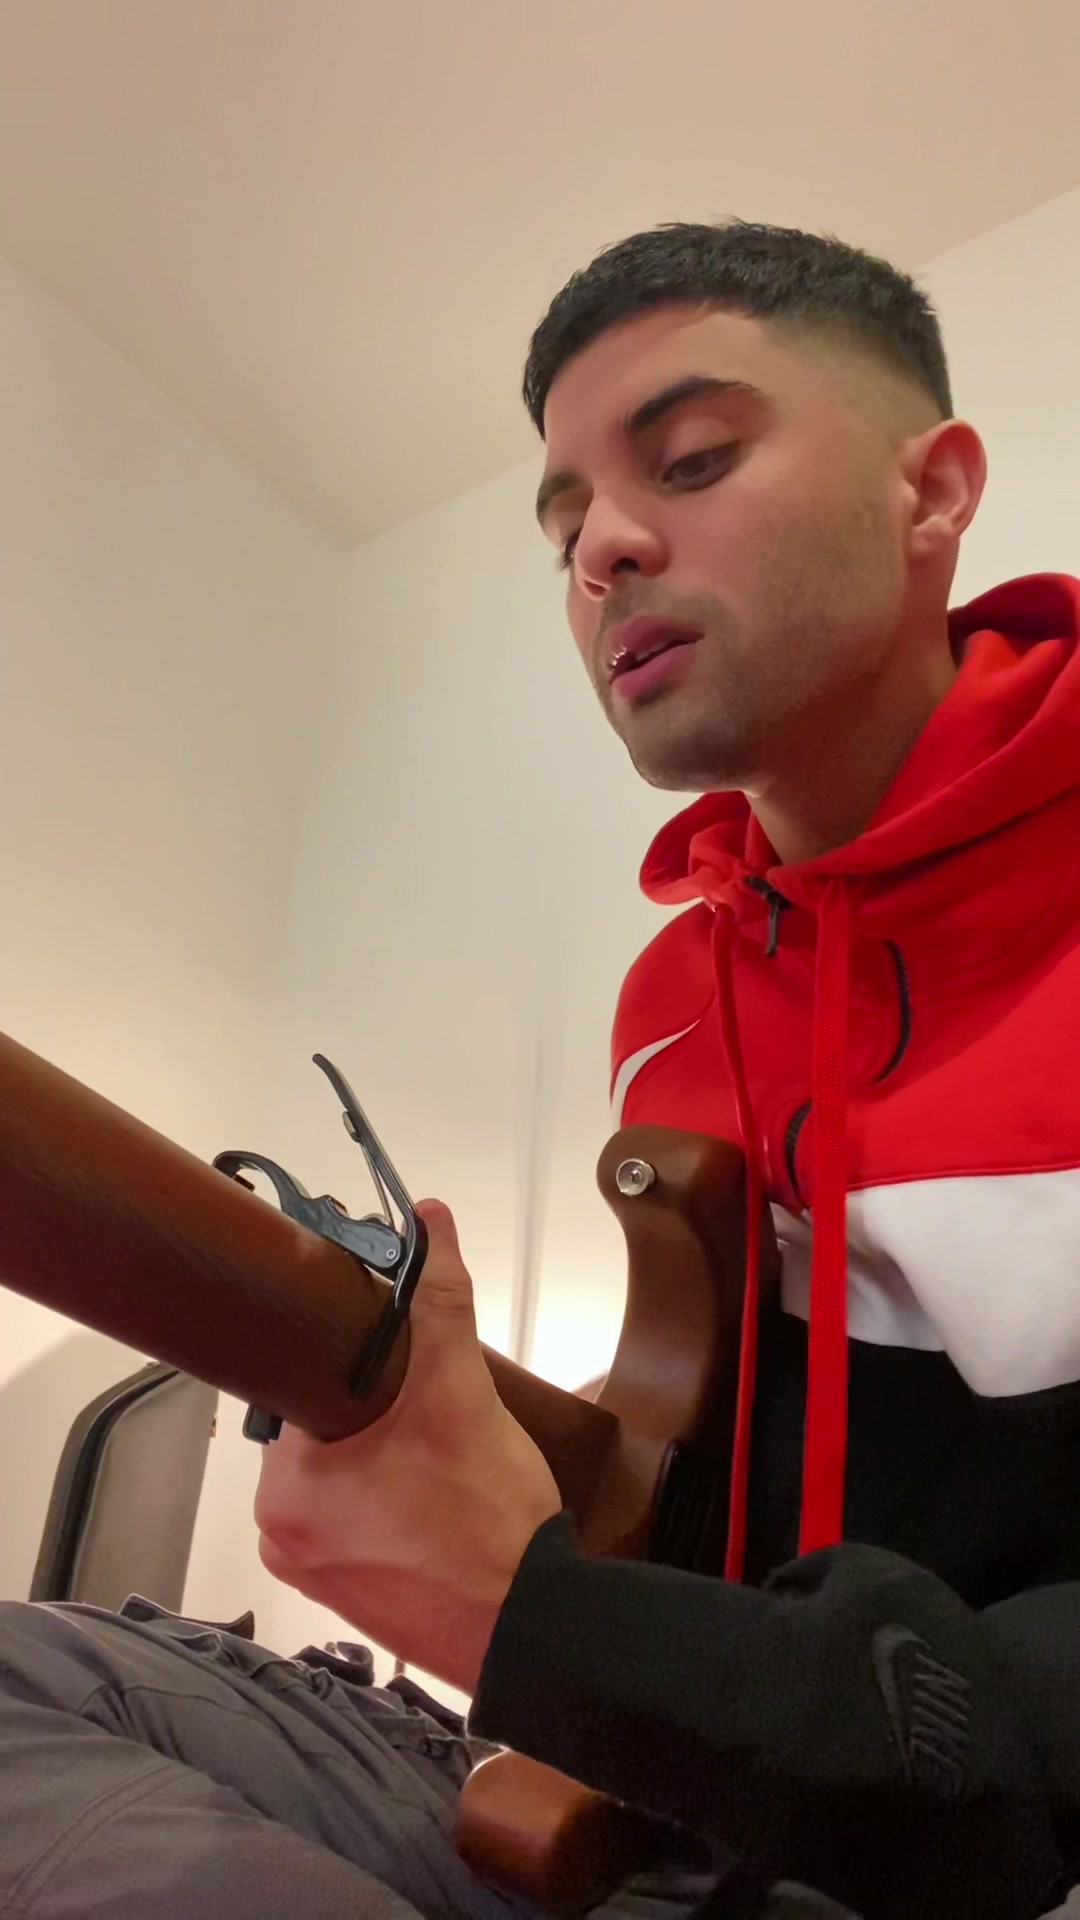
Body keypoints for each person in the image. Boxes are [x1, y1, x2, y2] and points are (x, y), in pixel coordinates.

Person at [4, 222, 1080, 1920]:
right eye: (566, 527)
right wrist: (456, 1449)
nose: (604, 554)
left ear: (932, 491)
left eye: (694, 459)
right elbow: (695, 1467)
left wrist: (536, 1617)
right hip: (681, 1804)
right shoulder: (674, 999)